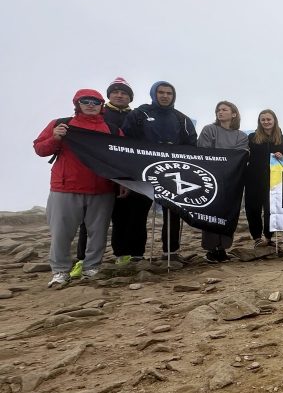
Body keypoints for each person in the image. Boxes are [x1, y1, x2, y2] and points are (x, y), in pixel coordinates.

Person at [35, 89, 121, 287]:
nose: (91, 105)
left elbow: (119, 159)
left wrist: (120, 183)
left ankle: (92, 268)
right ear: (77, 103)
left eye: (96, 101)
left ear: (102, 105)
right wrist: (55, 138)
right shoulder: (61, 124)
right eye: (86, 101)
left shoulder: (113, 130)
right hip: (65, 188)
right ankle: (60, 272)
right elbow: (40, 149)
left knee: (98, 233)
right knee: (61, 233)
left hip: (102, 189)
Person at [122, 81, 197, 261]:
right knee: (138, 213)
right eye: (161, 92)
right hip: (142, 171)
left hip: (171, 173)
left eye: (169, 93)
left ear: (173, 96)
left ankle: (170, 252)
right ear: (154, 94)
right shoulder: (140, 114)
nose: (165, 96)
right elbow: (125, 140)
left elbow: (191, 145)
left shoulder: (182, 119)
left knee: (172, 213)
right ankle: (136, 254)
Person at [73, 78, 143, 271]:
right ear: (109, 95)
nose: (120, 95)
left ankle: (123, 254)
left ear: (130, 97)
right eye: (116, 92)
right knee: (90, 221)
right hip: (99, 175)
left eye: (124, 93)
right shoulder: (100, 114)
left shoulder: (137, 116)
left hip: (125, 175)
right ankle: (83, 259)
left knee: (124, 217)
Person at [197, 101, 250, 263]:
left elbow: (240, 155)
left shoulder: (241, 136)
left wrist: (224, 156)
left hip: (232, 180)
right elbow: (203, 152)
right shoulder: (209, 130)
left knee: (229, 213)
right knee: (211, 212)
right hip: (211, 178)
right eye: (218, 110)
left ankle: (223, 248)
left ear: (234, 114)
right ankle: (211, 249)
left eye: (224, 109)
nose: (220, 112)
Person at [246, 109, 283, 248]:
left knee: (270, 210)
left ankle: (269, 237)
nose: (266, 122)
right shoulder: (252, 137)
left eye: (268, 119)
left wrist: (282, 155)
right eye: (263, 119)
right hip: (254, 178)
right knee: (253, 209)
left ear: (274, 120)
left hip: (274, 180)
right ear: (259, 122)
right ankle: (257, 237)